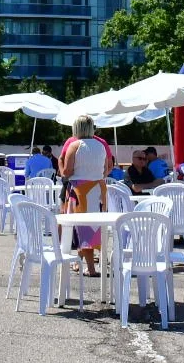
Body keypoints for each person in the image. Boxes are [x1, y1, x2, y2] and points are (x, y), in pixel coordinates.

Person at [59, 115, 112, 276]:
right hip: (98, 188)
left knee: (81, 227)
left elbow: (67, 171)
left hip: (80, 189)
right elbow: (106, 169)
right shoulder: (100, 145)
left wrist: (62, 171)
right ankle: (90, 264)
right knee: (94, 227)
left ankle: (90, 267)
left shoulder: (75, 145)